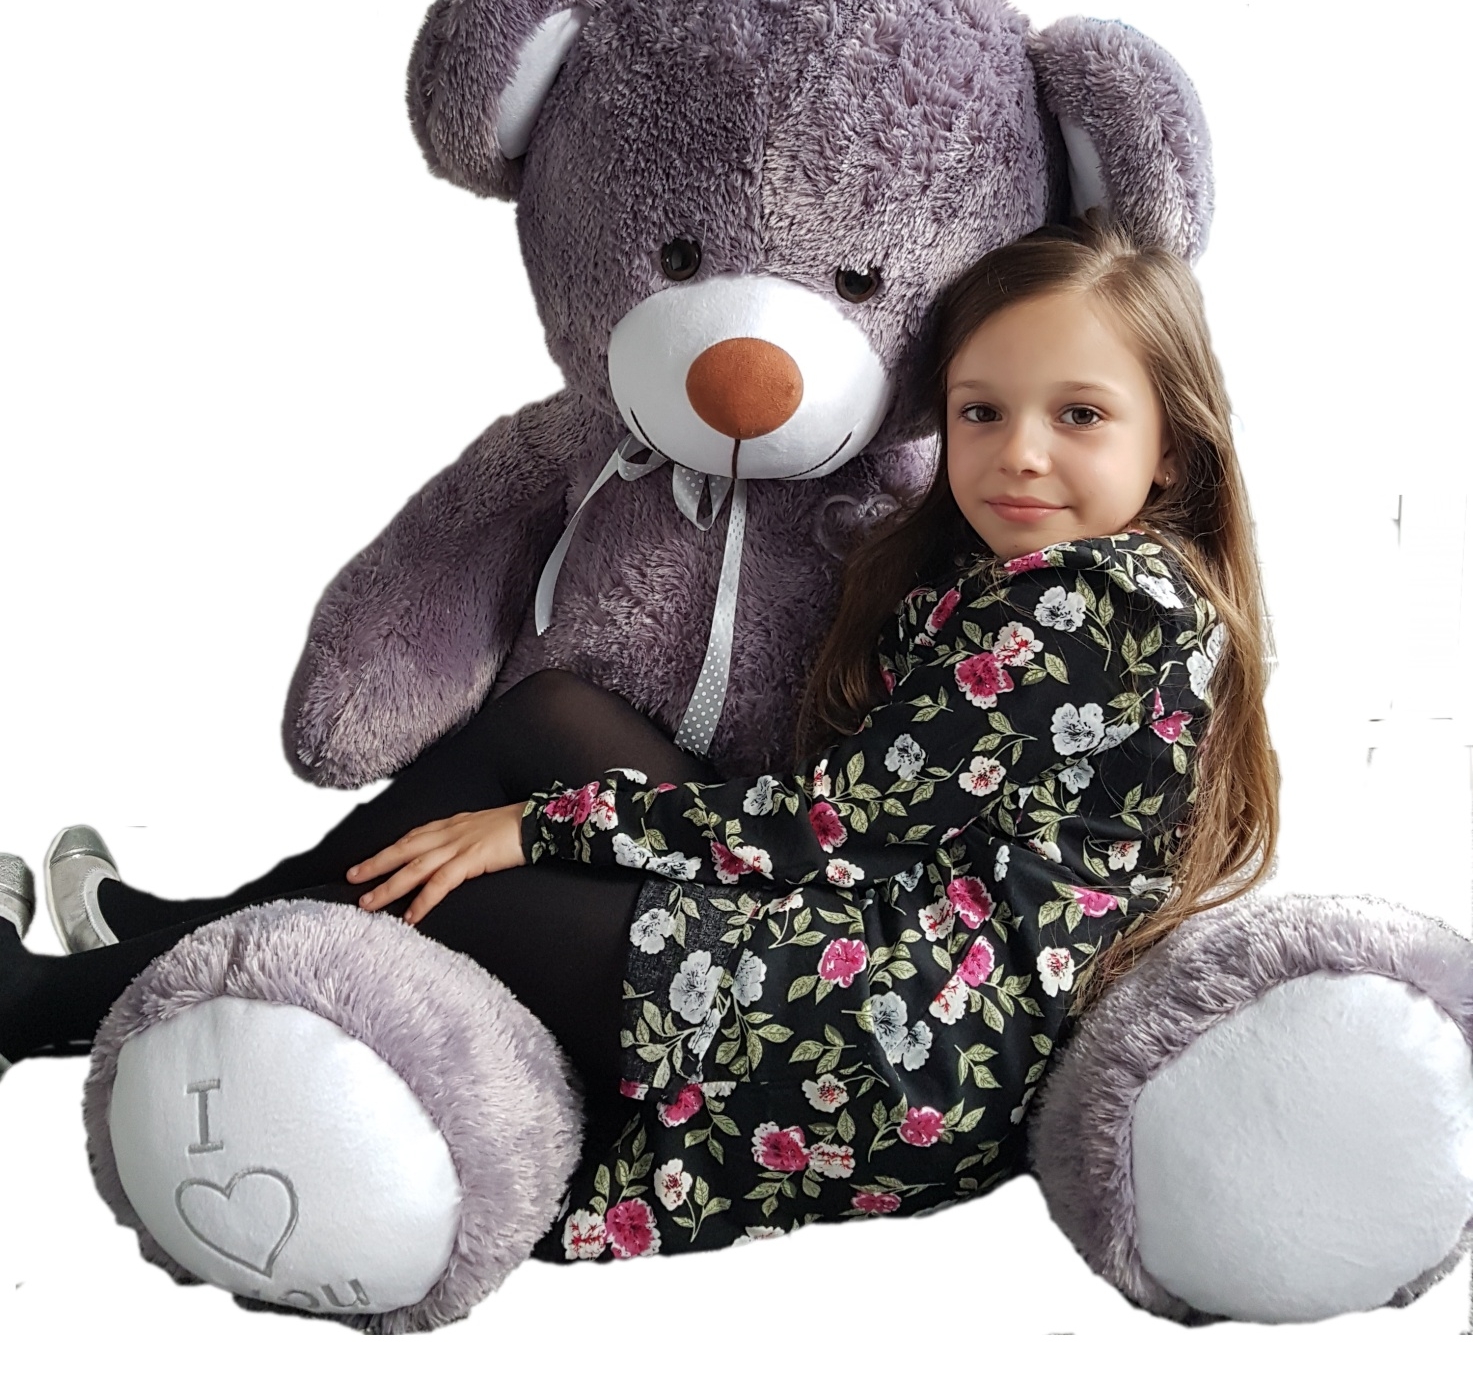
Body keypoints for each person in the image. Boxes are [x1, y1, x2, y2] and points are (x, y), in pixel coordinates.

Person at [0, 218, 1277, 1260]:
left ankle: (53, 1000)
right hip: (890, 945)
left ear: (1171, 448)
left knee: (451, 890)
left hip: (915, 1036)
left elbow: (829, 826)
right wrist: (547, 801)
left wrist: (540, 828)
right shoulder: (1046, 577)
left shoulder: (1089, 601)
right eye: (982, 413)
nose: (1020, 455)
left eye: (1081, 417)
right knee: (551, 716)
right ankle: (183, 932)